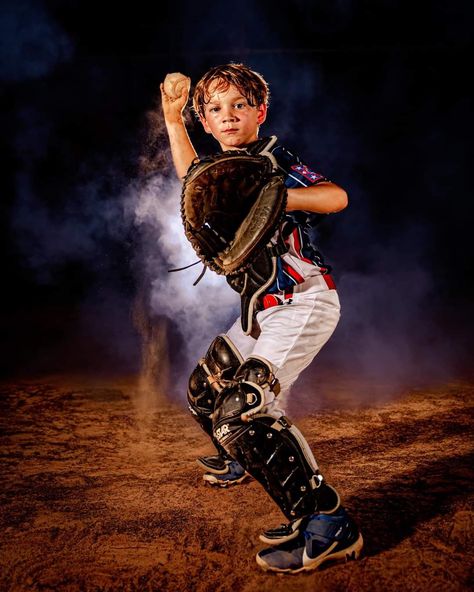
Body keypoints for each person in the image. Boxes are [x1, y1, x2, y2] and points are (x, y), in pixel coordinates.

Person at [160, 63, 363, 573]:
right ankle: (245, 455)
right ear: (206, 121)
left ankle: (328, 524)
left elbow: (336, 196)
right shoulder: (222, 172)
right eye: (215, 109)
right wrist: (172, 117)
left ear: (259, 112)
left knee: (243, 409)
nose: (227, 116)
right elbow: (192, 177)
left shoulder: (271, 160)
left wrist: (280, 197)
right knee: (206, 393)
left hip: (304, 300)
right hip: (261, 310)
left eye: (238, 105)